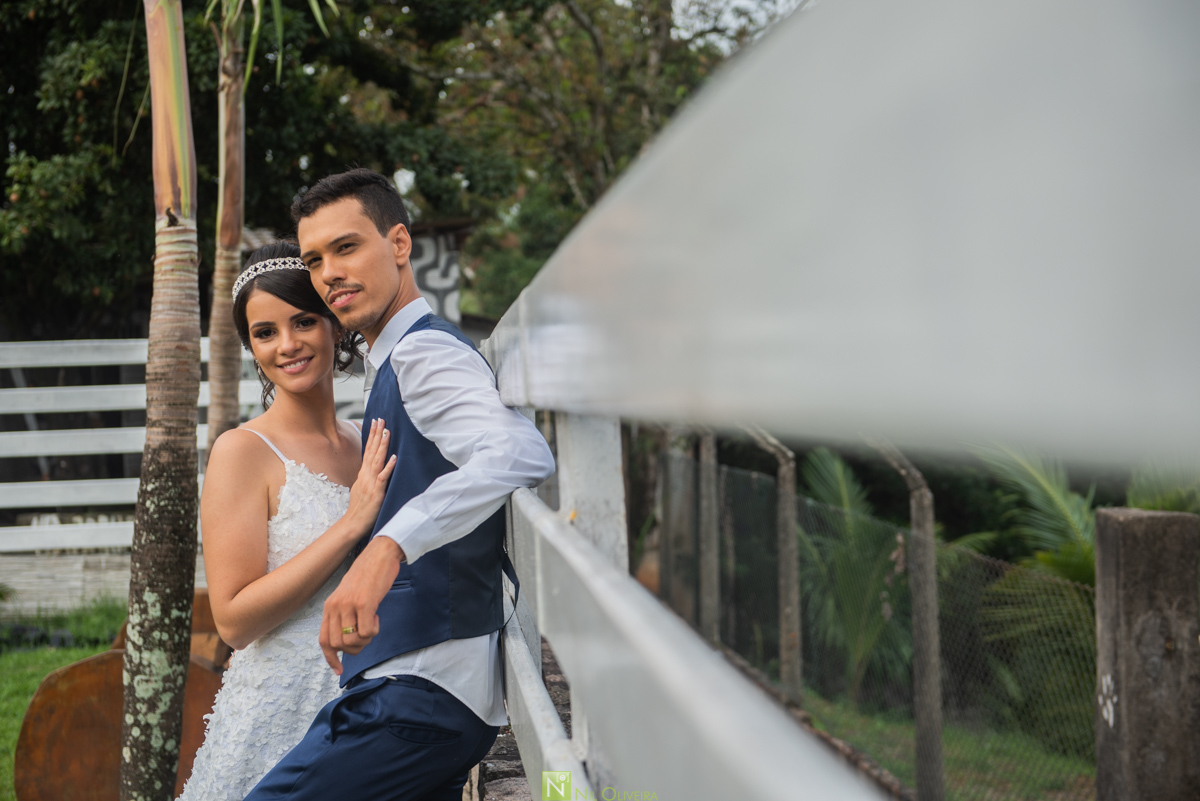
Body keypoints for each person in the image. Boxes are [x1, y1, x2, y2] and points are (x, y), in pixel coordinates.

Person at [244, 169, 555, 801]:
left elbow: (519, 450)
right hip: (410, 693)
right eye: (314, 258)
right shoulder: (390, 361)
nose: (328, 271)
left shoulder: (422, 356)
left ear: (400, 245)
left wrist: (388, 546)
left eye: (347, 246)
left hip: (420, 697)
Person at [178, 242, 397, 801]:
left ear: (333, 323)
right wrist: (350, 525)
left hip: (368, 709)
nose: (288, 345)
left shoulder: (364, 439)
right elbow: (233, 622)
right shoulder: (242, 451)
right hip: (278, 720)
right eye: (265, 332)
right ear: (251, 345)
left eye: (304, 321)